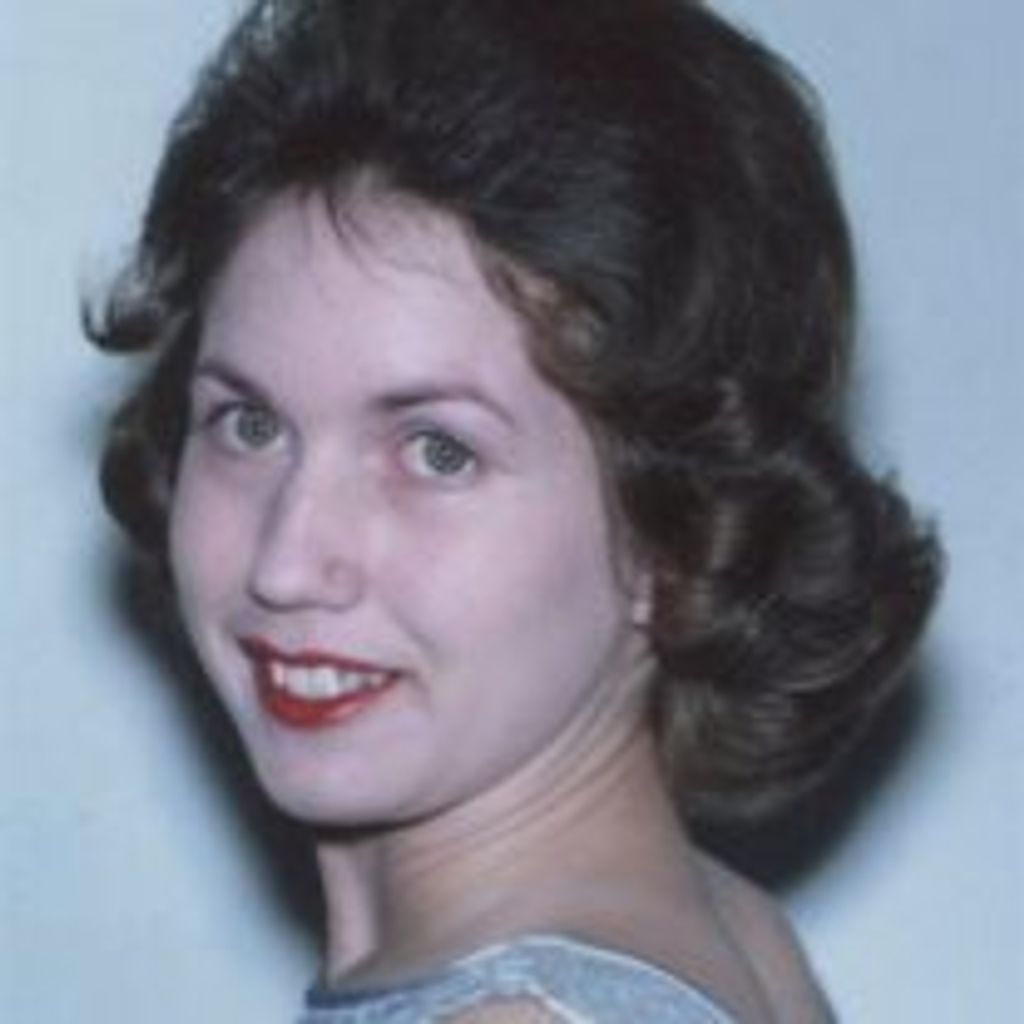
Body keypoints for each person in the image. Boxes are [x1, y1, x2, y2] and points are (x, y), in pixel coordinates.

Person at [88, 1, 940, 1020]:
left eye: (437, 452)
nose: (286, 560)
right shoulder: (723, 925)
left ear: (680, 527)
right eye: (250, 424)